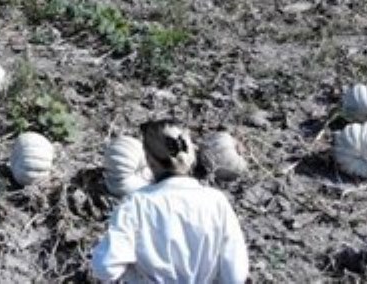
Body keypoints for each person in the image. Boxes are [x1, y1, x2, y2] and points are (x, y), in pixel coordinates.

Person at [89, 120, 250, 284]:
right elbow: (235, 276)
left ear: (149, 160)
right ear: (192, 156)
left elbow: (105, 268)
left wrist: (134, 274)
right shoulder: (217, 202)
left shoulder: (135, 204)